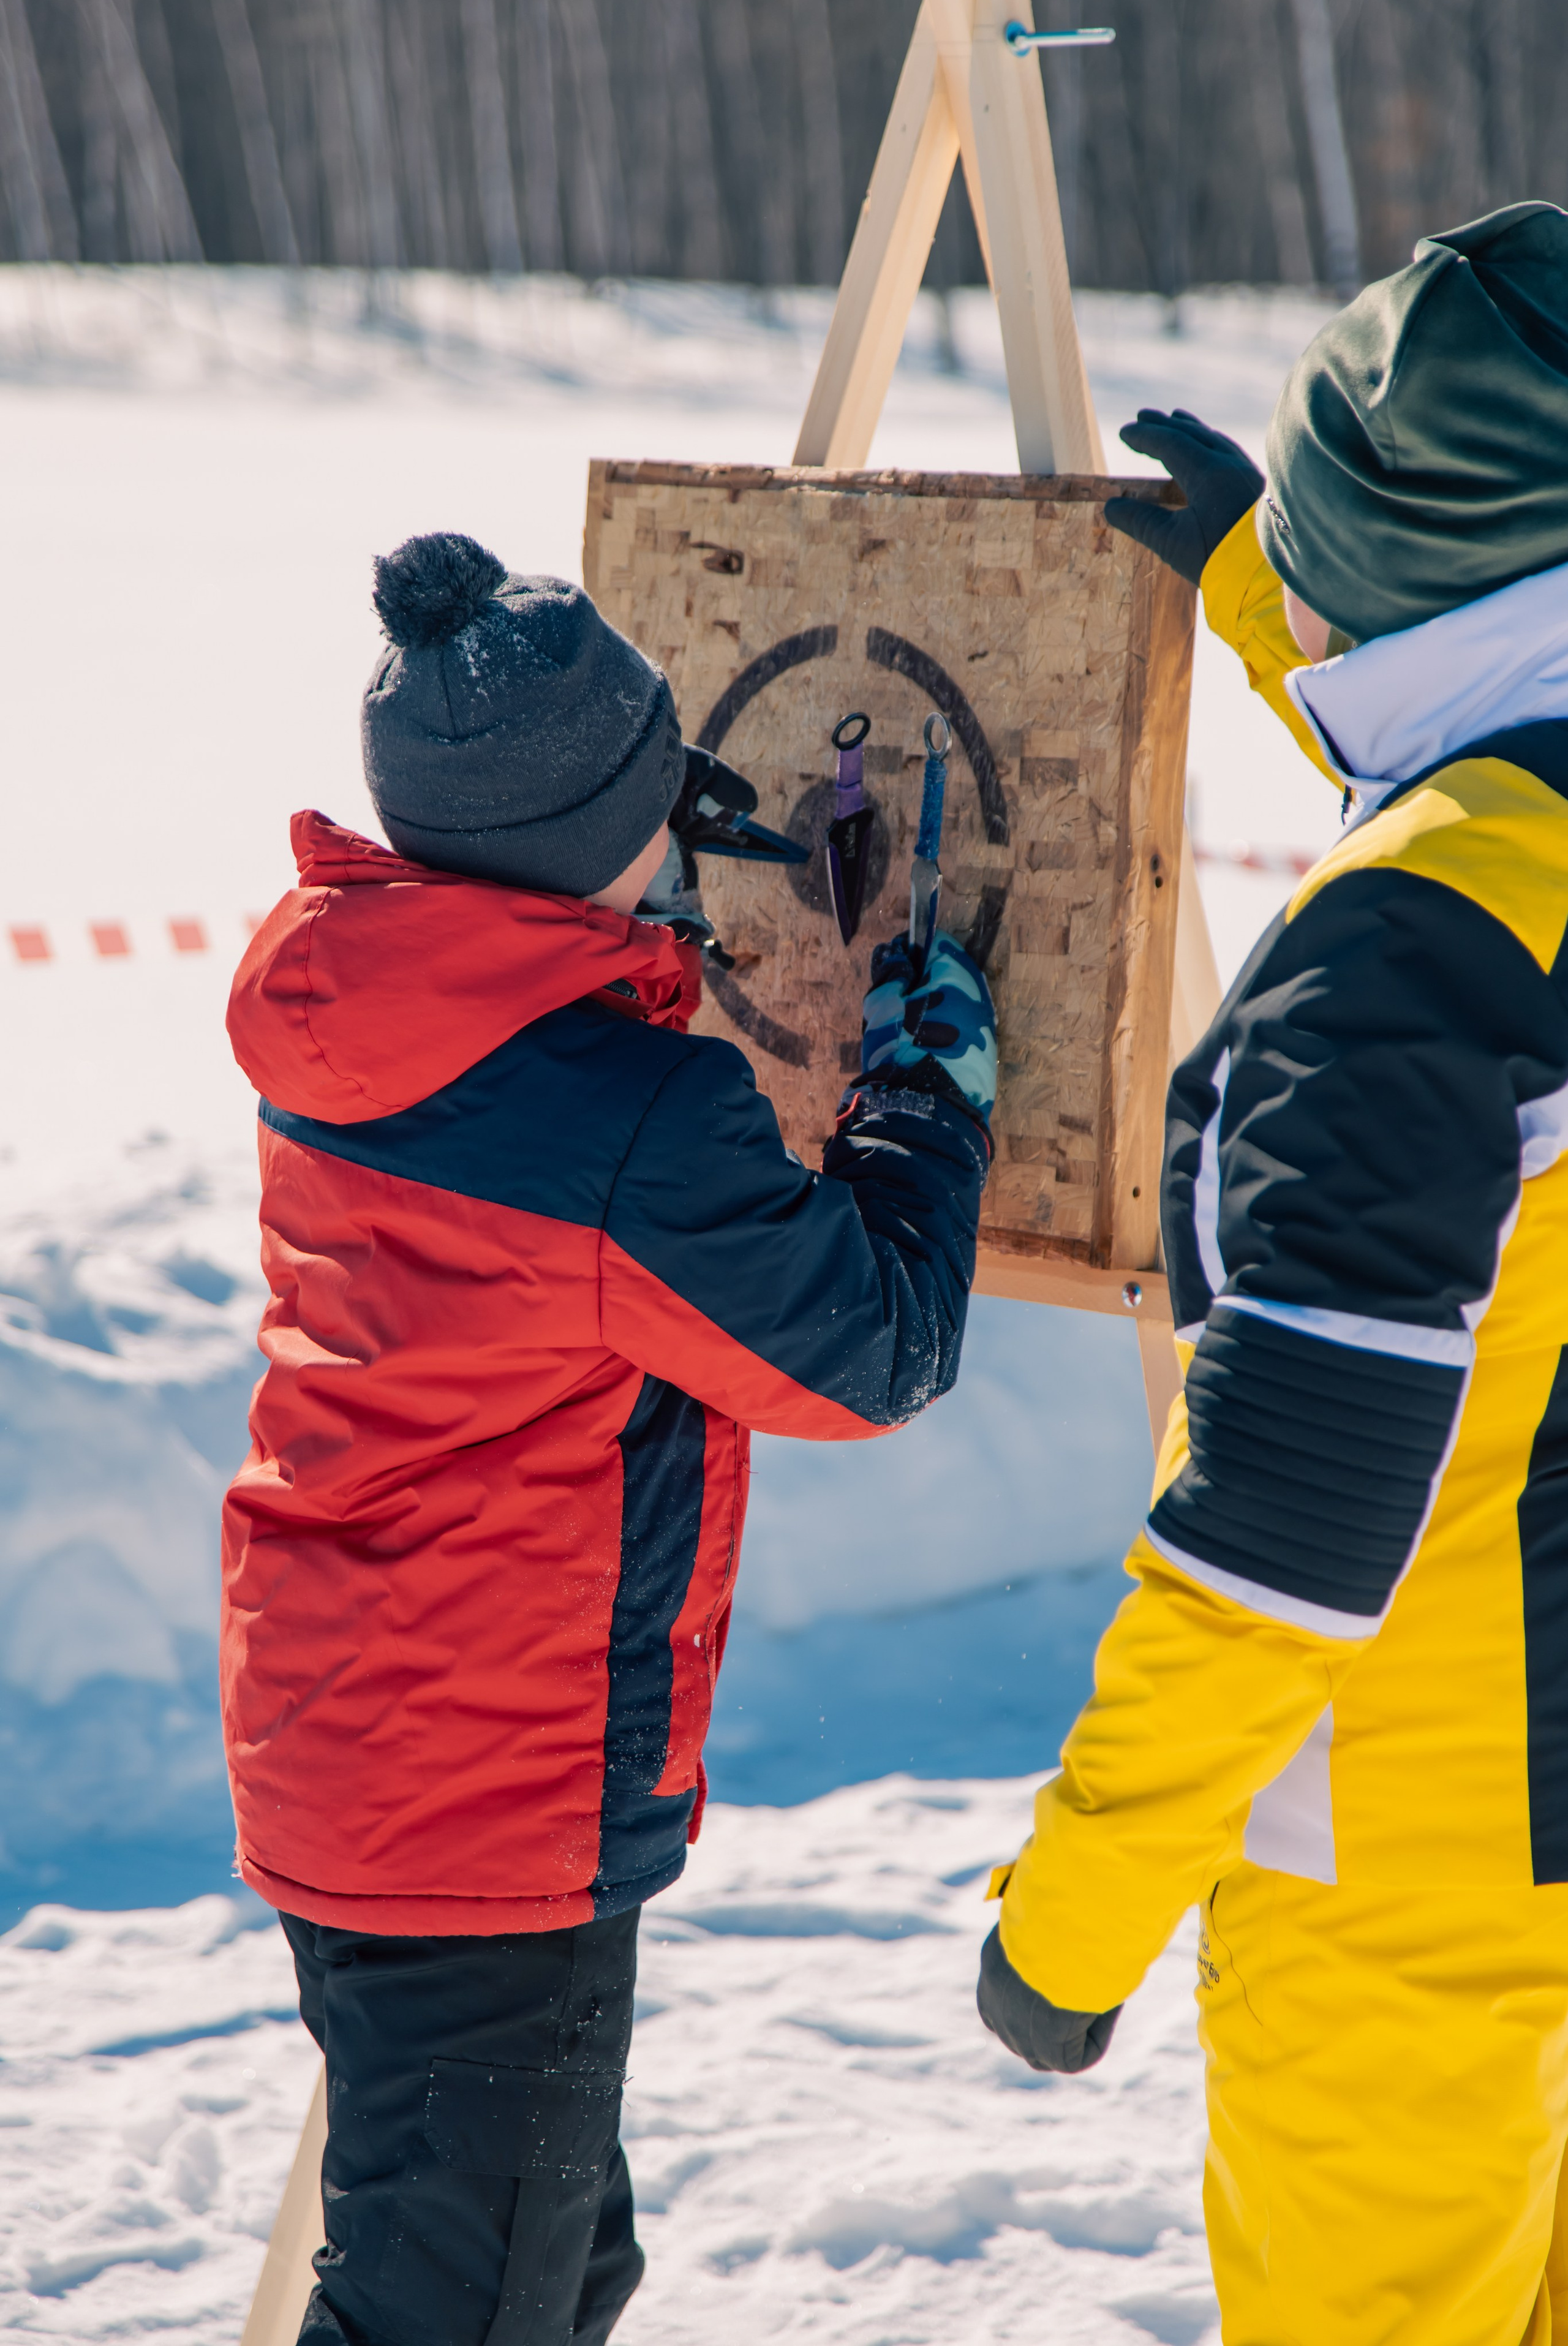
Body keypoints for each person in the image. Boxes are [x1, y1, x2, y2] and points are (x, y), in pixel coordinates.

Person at [221, 532, 996, 2346]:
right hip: (485, 1805)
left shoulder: (354, 1009)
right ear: (593, 844)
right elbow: (875, 1349)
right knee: (462, 2315)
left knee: (550, 2277)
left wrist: (623, 892)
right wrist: (926, 1099)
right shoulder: (621, 1121)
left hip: (366, 1750)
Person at [978, 200, 1568, 2344]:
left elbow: (1295, 1523)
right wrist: (1260, 584)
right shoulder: (1505, 876)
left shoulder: (1406, 954)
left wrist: (1077, 1911)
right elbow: (1486, 743)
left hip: (1430, 1881)